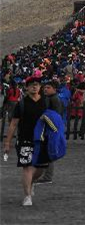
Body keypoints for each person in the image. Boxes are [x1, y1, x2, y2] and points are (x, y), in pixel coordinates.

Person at [3, 76, 49, 206]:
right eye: (32, 85)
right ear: (27, 88)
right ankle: (27, 196)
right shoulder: (21, 104)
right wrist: (7, 142)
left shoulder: (45, 102)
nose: (35, 86)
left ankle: (31, 182)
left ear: (40, 87)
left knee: (40, 169)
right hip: (25, 139)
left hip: (42, 140)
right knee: (27, 167)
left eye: (37, 84)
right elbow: (13, 124)